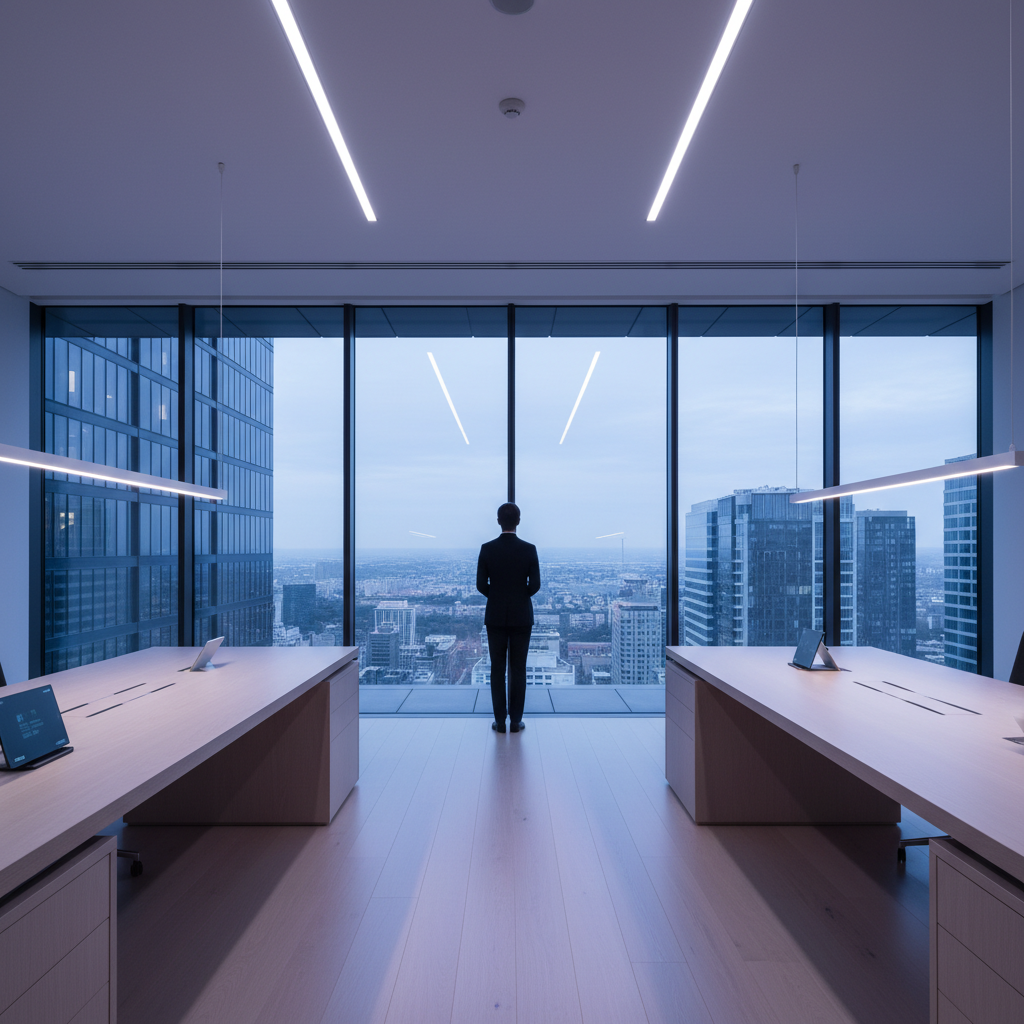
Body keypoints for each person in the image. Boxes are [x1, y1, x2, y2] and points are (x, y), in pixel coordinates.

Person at [476, 502, 540, 733]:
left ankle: (500, 721)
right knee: (518, 669)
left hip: (495, 616)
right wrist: (518, 597)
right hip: (522, 616)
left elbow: (481, 585)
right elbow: (535, 585)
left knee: (497, 669)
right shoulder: (529, 549)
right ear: (518, 521)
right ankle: (516, 721)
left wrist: (498, 597)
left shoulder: (487, 549)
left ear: (498, 521)